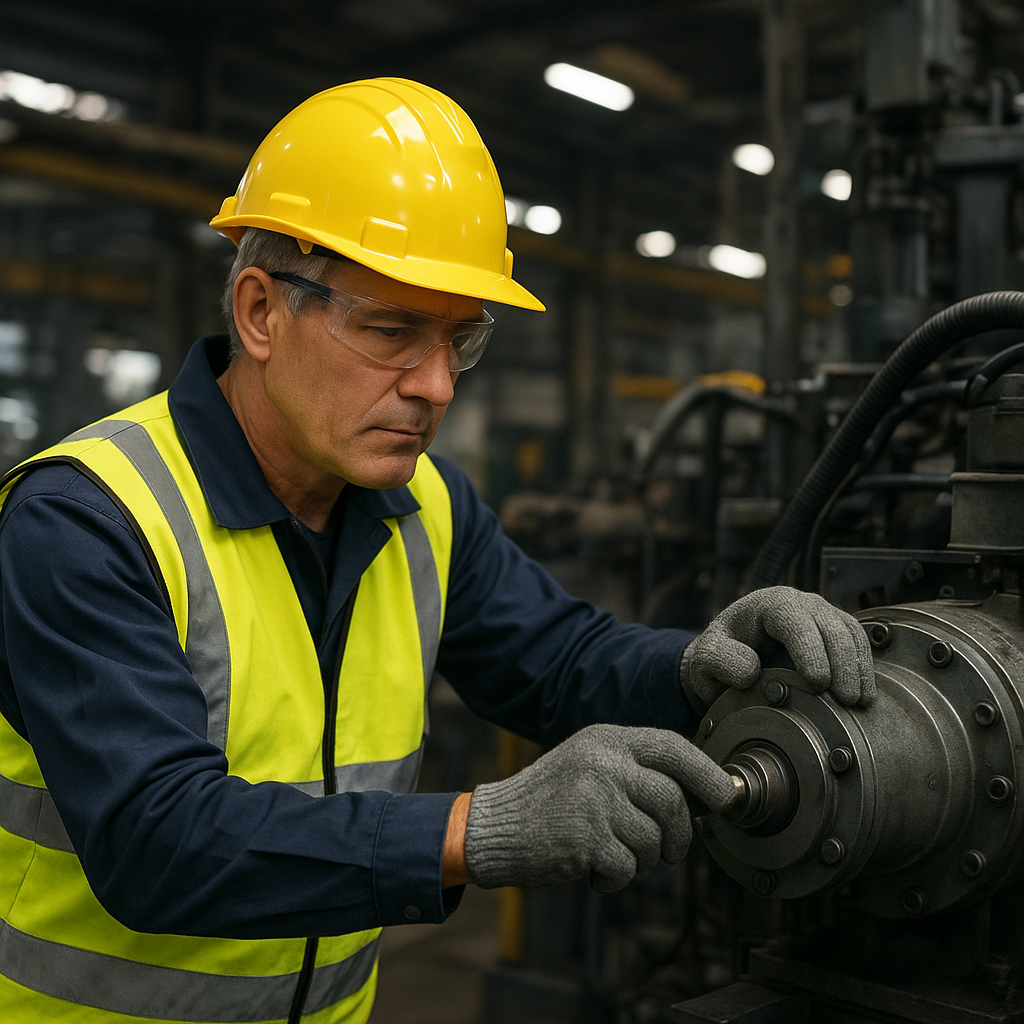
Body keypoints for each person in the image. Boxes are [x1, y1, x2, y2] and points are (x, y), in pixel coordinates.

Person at [0, 79, 874, 1023]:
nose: (437, 386)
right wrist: (475, 830)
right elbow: (157, 842)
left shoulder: (424, 505)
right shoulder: (88, 520)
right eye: (391, 331)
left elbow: (559, 660)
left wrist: (701, 670)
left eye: (459, 341)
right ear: (260, 313)